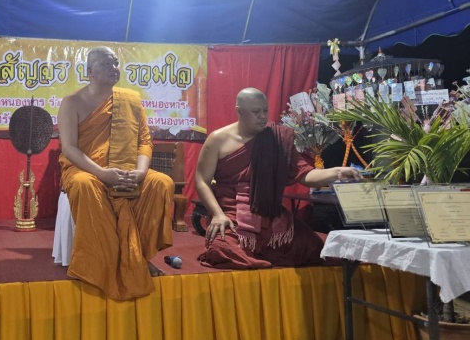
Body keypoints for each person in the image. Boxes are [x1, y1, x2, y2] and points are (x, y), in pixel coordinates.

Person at [194, 87, 363, 269]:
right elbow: (201, 181)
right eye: (256, 112)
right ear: (239, 111)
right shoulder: (218, 139)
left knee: (312, 247)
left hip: (269, 212)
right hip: (232, 212)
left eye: (265, 111)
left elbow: (305, 174)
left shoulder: (276, 138)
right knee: (222, 250)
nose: (262, 116)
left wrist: (336, 173)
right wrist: (218, 214)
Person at [58, 46, 175, 301]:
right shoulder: (72, 102)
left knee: (161, 183)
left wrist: (141, 172)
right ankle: (102, 266)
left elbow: (144, 141)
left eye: (116, 63)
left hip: (127, 168)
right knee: (85, 185)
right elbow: (69, 148)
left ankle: (137, 258)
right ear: (89, 71)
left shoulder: (130, 100)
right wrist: (102, 173)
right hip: (86, 169)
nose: (114, 68)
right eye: (107, 64)